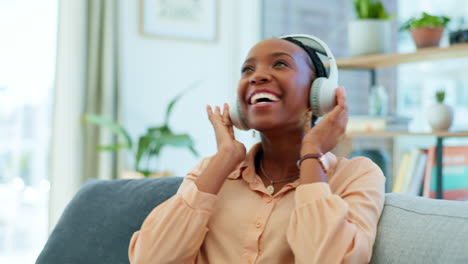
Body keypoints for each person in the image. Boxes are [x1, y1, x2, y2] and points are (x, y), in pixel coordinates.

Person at [128, 35, 385, 264]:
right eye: (247, 69)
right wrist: (224, 158)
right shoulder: (212, 172)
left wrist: (311, 153)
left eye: (280, 64)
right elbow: (150, 259)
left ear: (318, 94)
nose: (257, 76)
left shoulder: (356, 175)